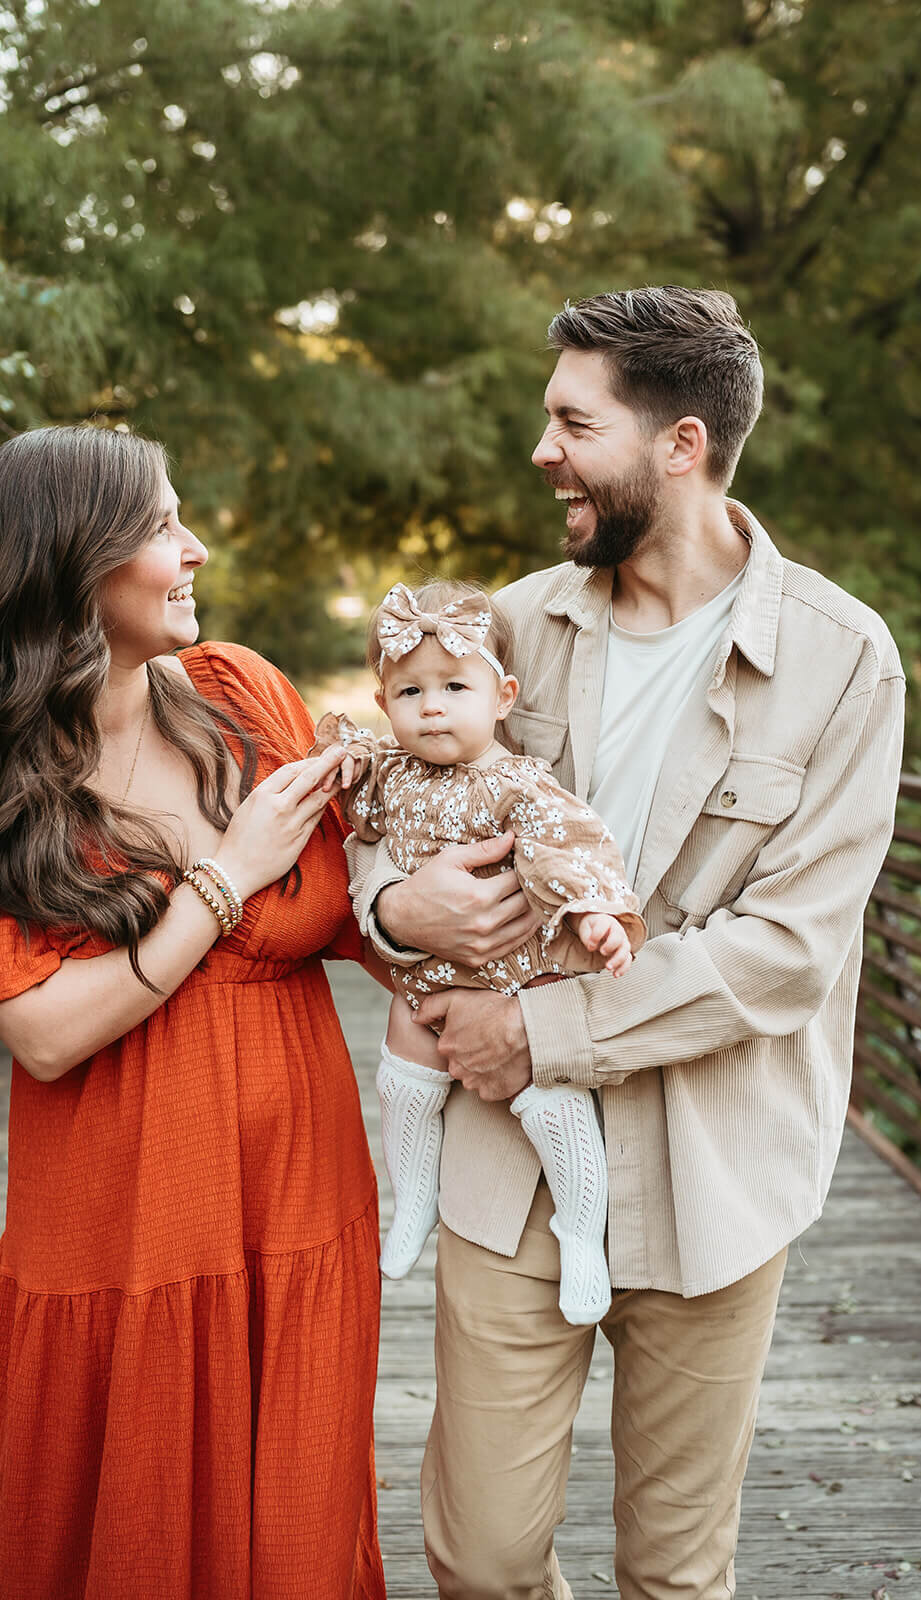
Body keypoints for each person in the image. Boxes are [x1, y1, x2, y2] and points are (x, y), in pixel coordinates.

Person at [349, 286, 906, 1600]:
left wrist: (538, 1028)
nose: (542, 453)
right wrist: (388, 914)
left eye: (570, 423)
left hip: (717, 1168)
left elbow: (786, 950)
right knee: (479, 1559)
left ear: (680, 444)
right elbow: (396, 804)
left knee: (673, 1573)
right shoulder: (511, 628)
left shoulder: (843, 659)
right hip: (506, 1168)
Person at [0, 425, 386, 1600]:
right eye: (162, 525)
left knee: (298, 1525)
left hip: (299, 1198)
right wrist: (227, 875)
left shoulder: (244, 693)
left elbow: (359, 908)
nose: (194, 546)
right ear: (73, 561)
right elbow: (45, 1036)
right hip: (122, 1220)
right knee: (130, 1528)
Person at [311, 578, 644, 1323]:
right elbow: (355, 820)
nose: (430, 706)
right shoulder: (391, 776)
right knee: (401, 1078)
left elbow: (571, 848)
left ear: (502, 696)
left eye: (453, 686)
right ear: (384, 700)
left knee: (551, 1103)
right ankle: (412, 1202)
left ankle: (580, 1233)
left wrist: (593, 912)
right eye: (408, 692)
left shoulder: (518, 783)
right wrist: (345, 766)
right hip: (424, 979)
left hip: (514, 984)